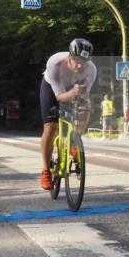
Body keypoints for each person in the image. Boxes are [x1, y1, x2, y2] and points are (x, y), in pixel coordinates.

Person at [39, 38, 97, 190]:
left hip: (74, 87)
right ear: (70, 57)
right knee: (50, 128)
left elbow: (84, 97)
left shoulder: (91, 69)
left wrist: (82, 99)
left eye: (84, 62)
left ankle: (74, 142)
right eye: (77, 61)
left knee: (85, 106)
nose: (80, 66)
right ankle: (45, 170)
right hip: (52, 88)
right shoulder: (55, 63)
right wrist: (72, 93)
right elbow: (59, 97)